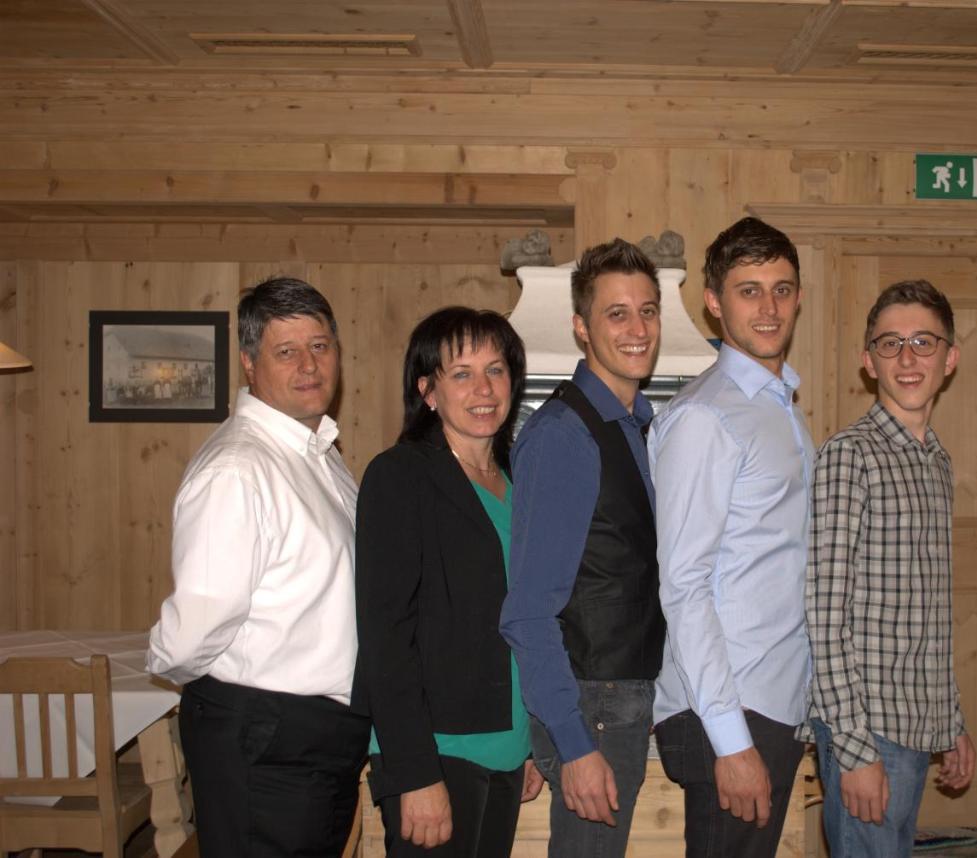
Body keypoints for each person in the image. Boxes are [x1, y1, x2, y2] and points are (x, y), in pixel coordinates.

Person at [147, 276, 370, 857]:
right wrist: (223, 701)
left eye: (319, 346)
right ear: (249, 363)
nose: (309, 365)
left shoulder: (318, 454)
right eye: (286, 351)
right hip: (266, 738)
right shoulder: (239, 469)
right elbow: (195, 628)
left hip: (315, 737)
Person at [648, 216, 814, 858]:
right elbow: (683, 585)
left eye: (781, 289)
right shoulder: (705, 416)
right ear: (714, 302)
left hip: (773, 698)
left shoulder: (776, 405)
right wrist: (730, 739)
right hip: (730, 708)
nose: (769, 308)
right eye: (749, 291)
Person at [352, 307, 543, 857]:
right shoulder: (400, 476)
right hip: (437, 751)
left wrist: (532, 740)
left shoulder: (517, 479)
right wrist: (415, 773)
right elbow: (386, 637)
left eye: (496, 370)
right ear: (428, 391)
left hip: (508, 744)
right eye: (462, 373)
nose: (484, 388)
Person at [499, 238, 665, 858]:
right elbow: (528, 612)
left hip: (618, 698)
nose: (637, 329)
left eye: (647, 311)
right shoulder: (564, 437)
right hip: (592, 705)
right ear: (581, 327)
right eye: (616, 313)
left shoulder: (635, 426)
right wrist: (572, 743)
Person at [807, 279, 977, 858]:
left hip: (917, 723)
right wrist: (855, 753)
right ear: (868, 360)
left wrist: (950, 722)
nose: (907, 359)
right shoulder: (850, 456)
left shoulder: (936, 461)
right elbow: (824, 616)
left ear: (950, 359)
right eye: (890, 344)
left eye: (923, 342)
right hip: (869, 729)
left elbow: (930, 610)